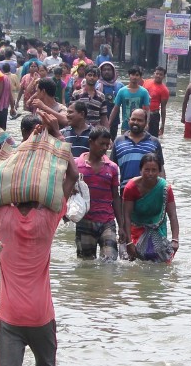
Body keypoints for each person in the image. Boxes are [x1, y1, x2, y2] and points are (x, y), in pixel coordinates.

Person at [0, 116, 77, 366]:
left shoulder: (2, 217)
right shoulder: (48, 220)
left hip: (9, 315)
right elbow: (72, 176)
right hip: (42, 314)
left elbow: (1, 172)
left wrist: (28, 141)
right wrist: (56, 136)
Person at [74, 127, 124, 261]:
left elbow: (116, 197)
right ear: (91, 142)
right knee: (86, 264)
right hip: (85, 221)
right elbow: (67, 191)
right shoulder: (76, 165)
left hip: (107, 221)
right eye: (101, 144)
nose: (105, 148)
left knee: (110, 261)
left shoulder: (112, 167)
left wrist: (122, 226)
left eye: (107, 145)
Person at [121, 154, 179, 262]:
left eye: (154, 170)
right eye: (147, 170)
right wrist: (129, 242)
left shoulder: (165, 188)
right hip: (135, 230)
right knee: (132, 263)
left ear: (159, 171)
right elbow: (126, 216)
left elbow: (173, 215)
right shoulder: (131, 187)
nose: (150, 174)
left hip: (157, 229)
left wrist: (175, 239)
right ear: (140, 170)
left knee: (160, 264)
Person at [112, 108, 165, 189]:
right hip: (126, 191)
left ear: (146, 123)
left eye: (140, 120)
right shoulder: (118, 142)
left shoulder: (154, 142)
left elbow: (160, 169)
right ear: (129, 120)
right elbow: (112, 169)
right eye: (133, 119)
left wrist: (163, 190)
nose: (136, 122)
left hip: (149, 192)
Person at [109, 66, 151, 133]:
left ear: (140, 77)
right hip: (125, 126)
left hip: (139, 126)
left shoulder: (144, 92)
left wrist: (147, 123)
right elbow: (115, 108)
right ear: (129, 75)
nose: (134, 77)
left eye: (137, 75)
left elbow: (147, 109)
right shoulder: (122, 91)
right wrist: (109, 123)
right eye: (132, 74)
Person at [96, 62, 122, 139]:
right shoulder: (96, 85)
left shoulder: (119, 86)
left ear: (113, 71)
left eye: (109, 69)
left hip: (114, 121)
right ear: (100, 71)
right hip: (98, 120)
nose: (106, 71)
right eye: (104, 70)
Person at [144, 66, 171, 137]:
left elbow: (163, 108)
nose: (158, 76)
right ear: (154, 74)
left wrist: (162, 125)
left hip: (154, 116)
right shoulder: (146, 82)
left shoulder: (164, 90)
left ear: (164, 77)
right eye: (157, 73)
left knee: (152, 138)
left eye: (160, 74)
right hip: (143, 113)